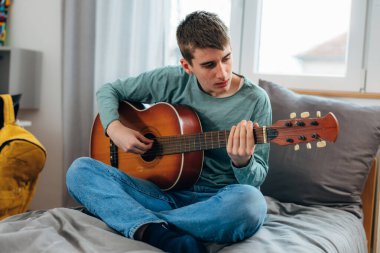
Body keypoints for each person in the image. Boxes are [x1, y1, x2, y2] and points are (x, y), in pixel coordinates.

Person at [66, 11, 271, 253]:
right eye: (209, 65)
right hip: (163, 193)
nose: (222, 73)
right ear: (187, 66)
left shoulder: (256, 100)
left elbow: (256, 179)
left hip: (218, 200)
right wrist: (115, 128)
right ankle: (156, 229)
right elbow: (108, 91)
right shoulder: (170, 80)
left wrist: (242, 161)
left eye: (226, 59)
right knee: (79, 170)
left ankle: (140, 222)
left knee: (250, 205)